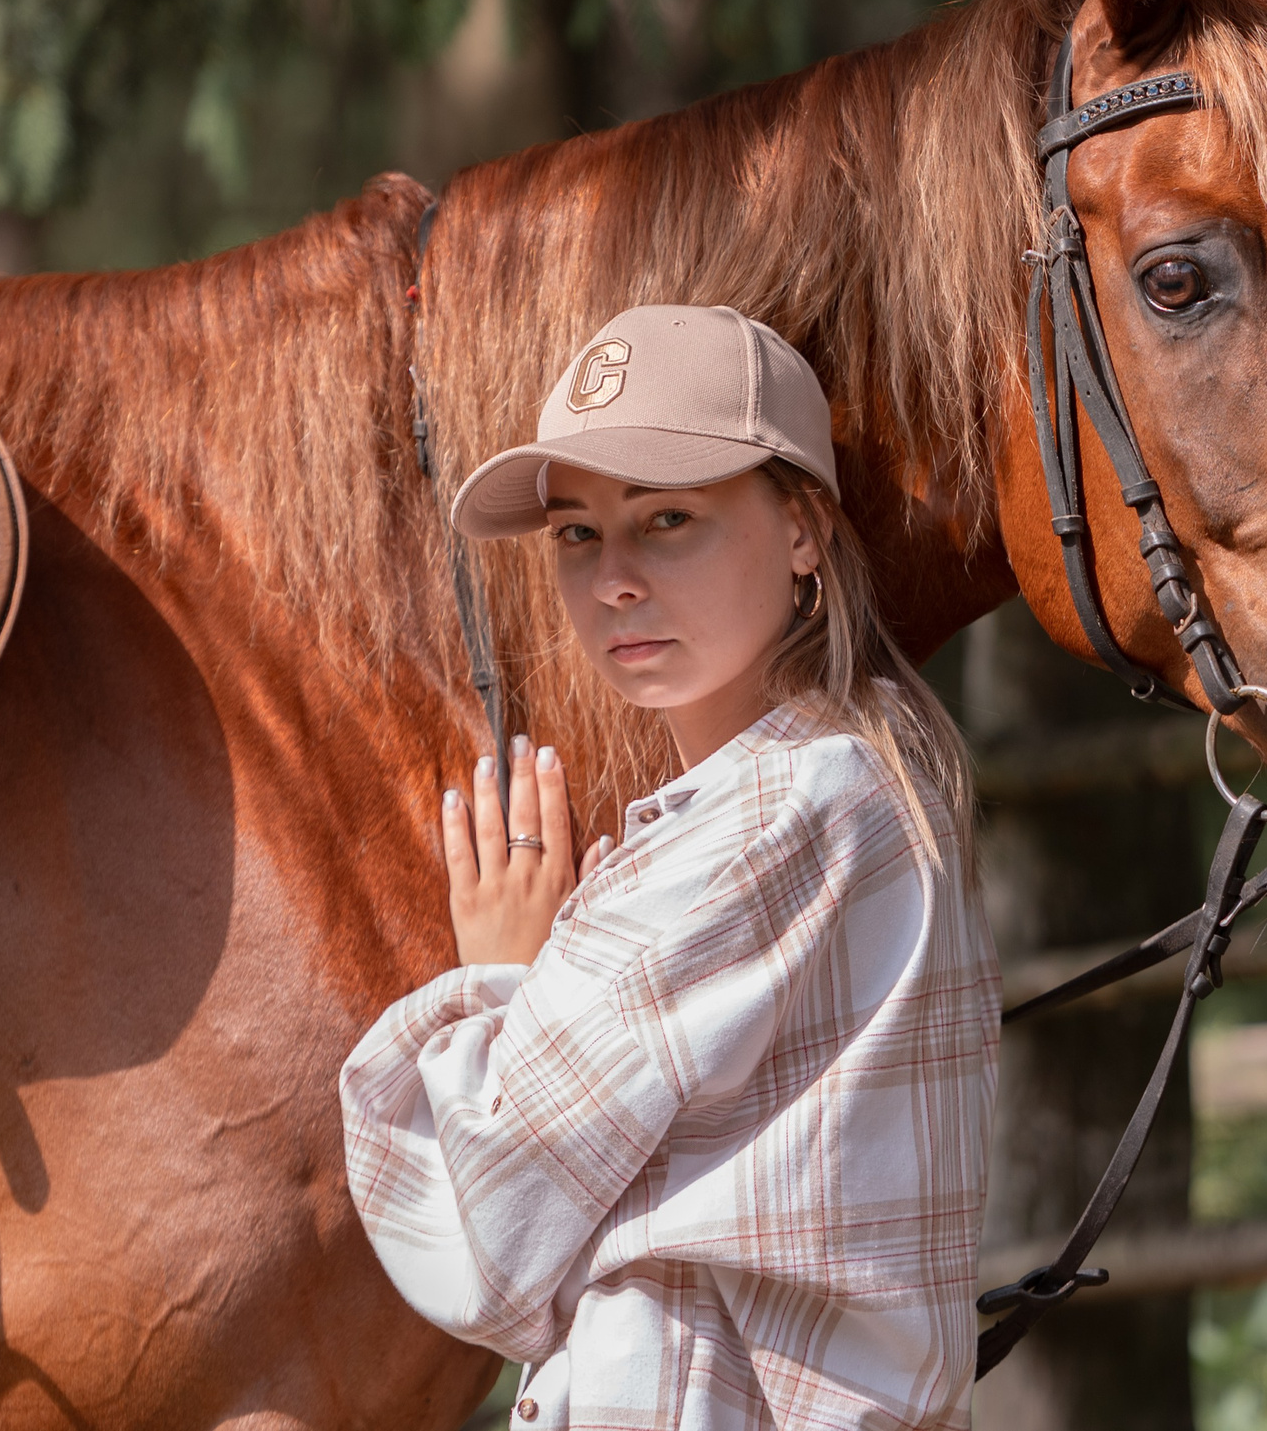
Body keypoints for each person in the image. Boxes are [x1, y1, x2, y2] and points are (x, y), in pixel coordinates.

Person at [340, 305, 1001, 1431]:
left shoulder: (777, 815)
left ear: (802, 529)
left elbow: (480, 1242)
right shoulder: (861, 780)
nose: (614, 582)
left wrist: (498, 982)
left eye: (669, 519)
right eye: (577, 535)